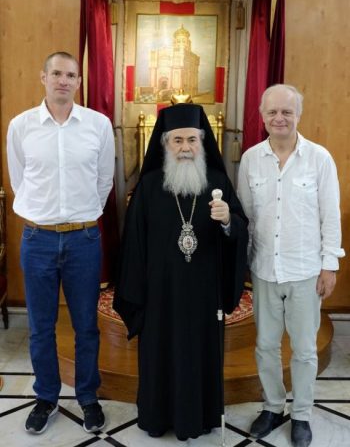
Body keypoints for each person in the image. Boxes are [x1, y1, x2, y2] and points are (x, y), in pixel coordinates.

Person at [113, 103, 248, 441]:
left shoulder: (217, 182)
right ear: (164, 144)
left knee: (200, 355)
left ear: (203, 142)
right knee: (160, 354)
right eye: (177, 141)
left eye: (192, 140)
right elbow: (133, 246)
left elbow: (240, 229)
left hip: (204, 292)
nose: (186, 147)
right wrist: (137, 291)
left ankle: (199, 418)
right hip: (161, 293)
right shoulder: (147, 188)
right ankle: (157, 418)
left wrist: (228, 220)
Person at [6, 52, 115, 435]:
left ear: (79, 82)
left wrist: (81, 215)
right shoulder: (21, 126)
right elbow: (20, 180)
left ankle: (88, 397)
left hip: (84, 239)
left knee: (86, 324)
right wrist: (47, 214)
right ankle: (46, 396)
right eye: (57, 73)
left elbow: (105, 180)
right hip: (37, 239)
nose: (64, 81)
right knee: (40, 326)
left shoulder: (98, 125)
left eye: (71, 75)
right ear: (43, 77)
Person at [237, 84, 344, 447]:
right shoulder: (251, 158)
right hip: (264, 269)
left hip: (305, 271)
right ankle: (272, 406)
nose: (279, 118)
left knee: (304, 348)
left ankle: (301, 413)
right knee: (265, 345)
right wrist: (242, 266)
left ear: (298, 114)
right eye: (272, 112)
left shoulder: (319, 159)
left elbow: (330, 216)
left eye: (287, 112)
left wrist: (330, 265)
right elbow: (245, 217)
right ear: (262, 115)